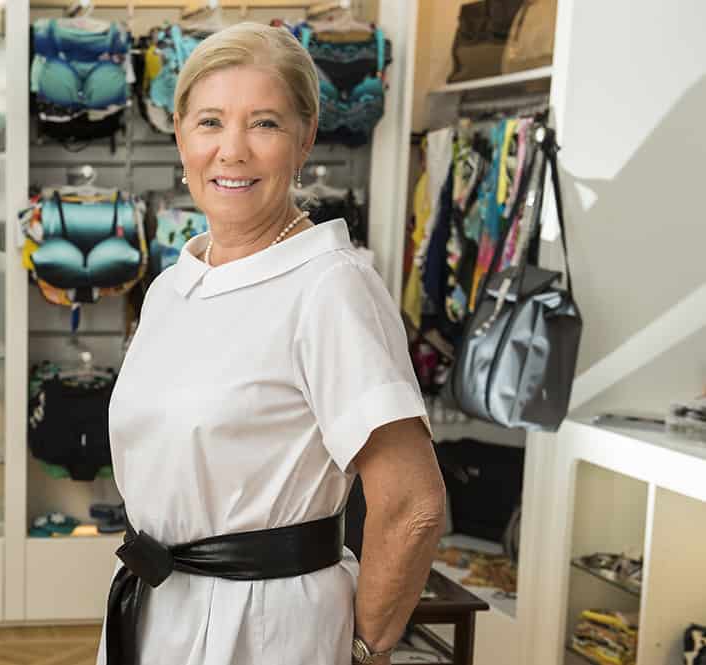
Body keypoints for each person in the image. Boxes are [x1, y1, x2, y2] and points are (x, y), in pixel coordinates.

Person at [99, 22, 446, 665]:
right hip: (155, 610)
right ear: (179, 133)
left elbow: (412, 505)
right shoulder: (172, 286)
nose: (231, 151)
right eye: (210, 122)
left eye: (264, 123)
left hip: (267, 629)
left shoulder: (331, 287)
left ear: (305, 138)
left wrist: (362, 652)